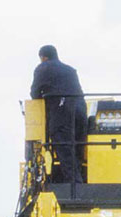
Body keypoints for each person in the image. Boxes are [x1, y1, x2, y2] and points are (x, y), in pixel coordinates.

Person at [30, 44, 87, 183]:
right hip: (80, 109)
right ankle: (81, 181)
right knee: (77, 145)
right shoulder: (70, 70)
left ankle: (75, 186)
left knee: (62, 143)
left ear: (43, 57)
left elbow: (34, 93)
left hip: (62, 109)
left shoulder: (43, 68)